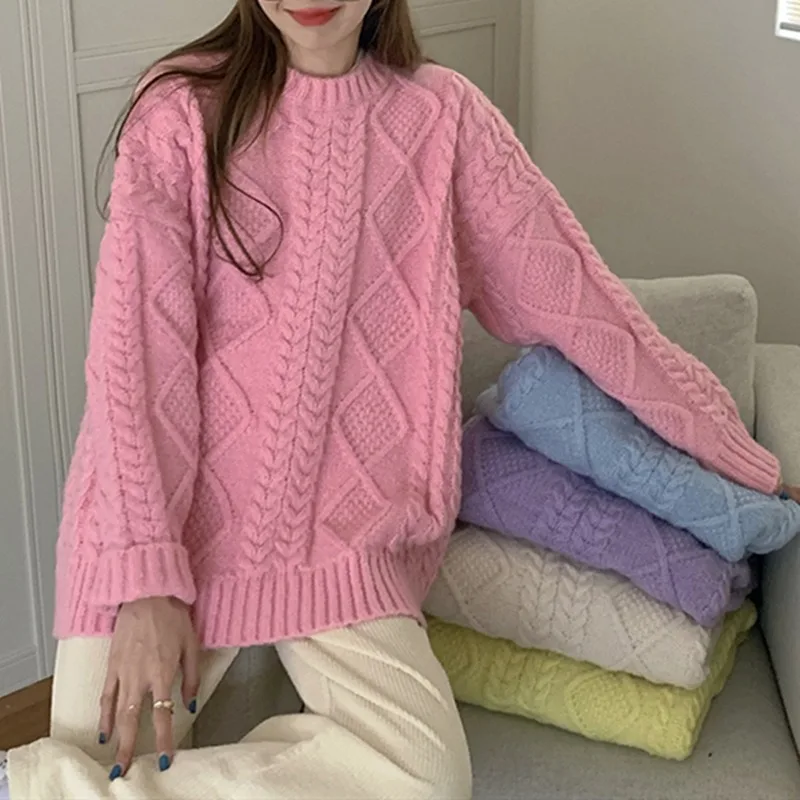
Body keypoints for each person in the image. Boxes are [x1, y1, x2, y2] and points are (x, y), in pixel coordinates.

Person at [3, 1, 798, 798]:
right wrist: (146, 579)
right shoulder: (179, 109)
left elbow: (588, 309)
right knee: (98, 756)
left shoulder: (443, 120)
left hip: (342, 543)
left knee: (425, 774)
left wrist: (741, 459)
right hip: (159, 532)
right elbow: (137, 362)